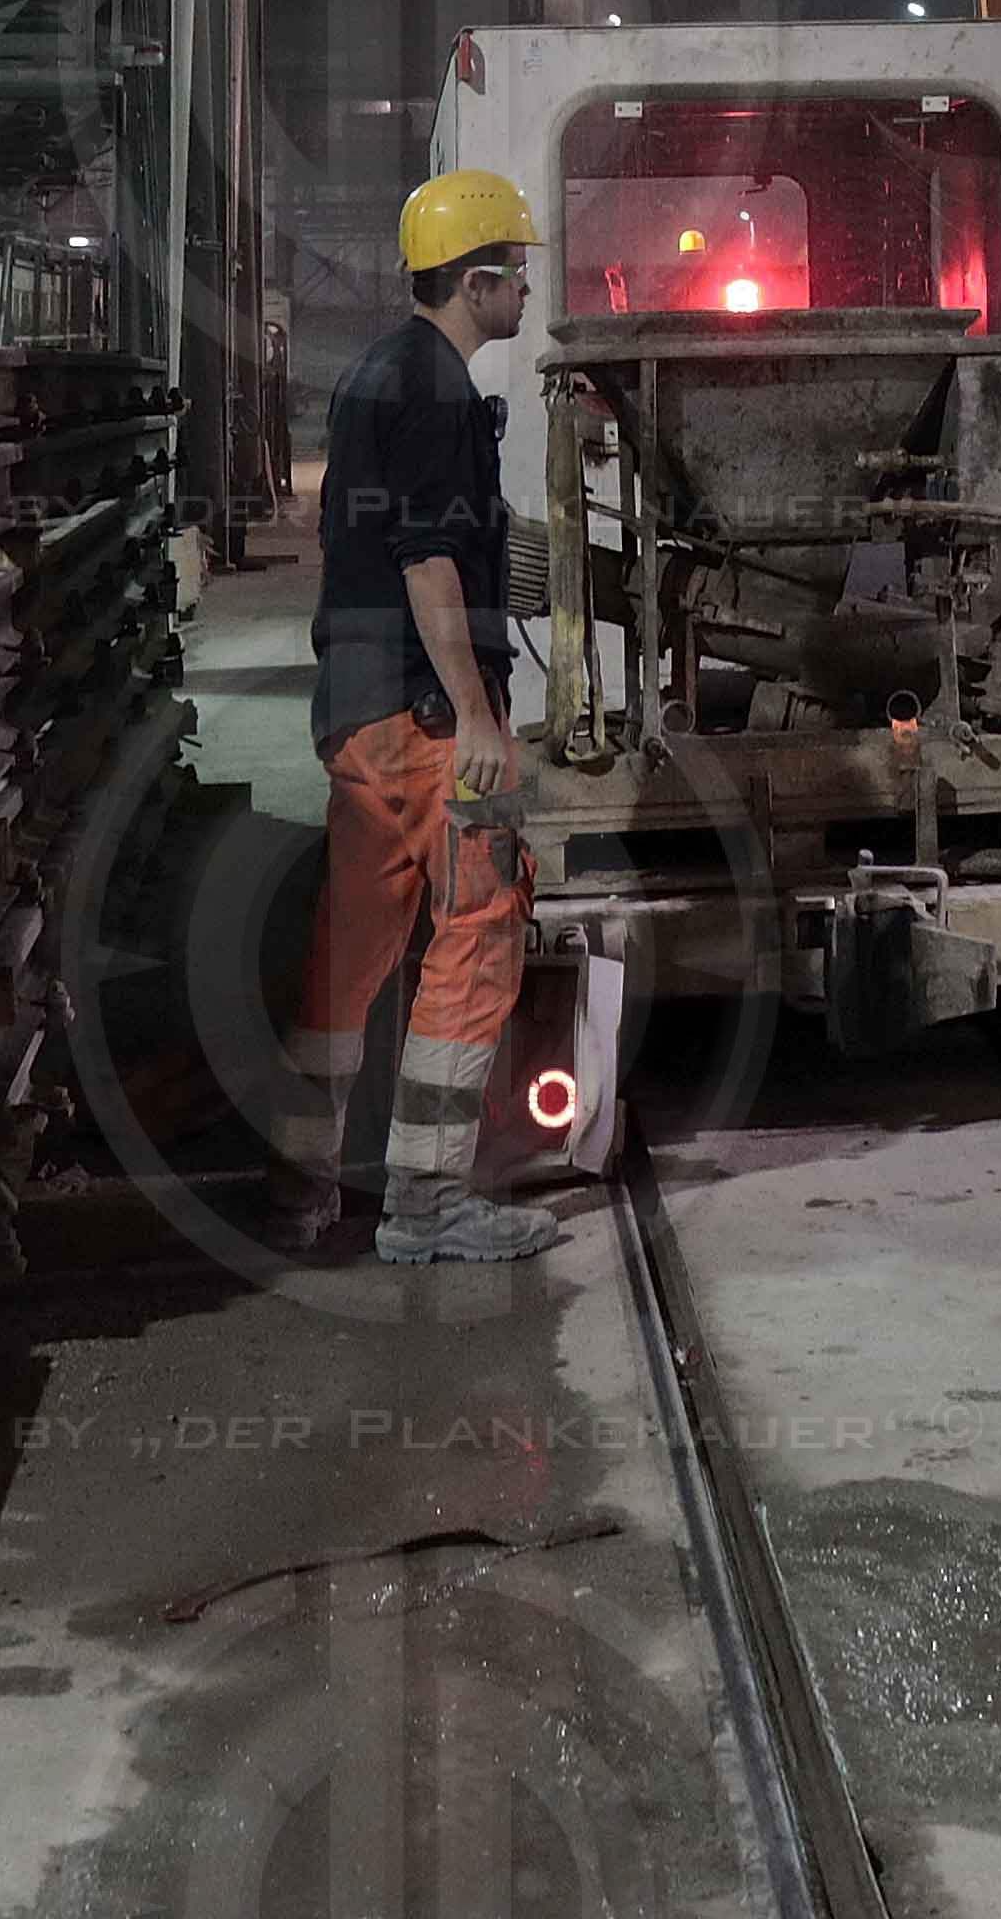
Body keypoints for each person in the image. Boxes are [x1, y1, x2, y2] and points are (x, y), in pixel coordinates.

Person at [283, 167, 562, 1267]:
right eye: (520, 272)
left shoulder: (374, 375)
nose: (530, 291)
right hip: (418, 710)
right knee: (480, 921)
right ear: (479, 278)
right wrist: (478, 715)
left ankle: (298, 1186)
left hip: (355, 709)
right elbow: (427, 557)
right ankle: (427, 1203)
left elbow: (378, 534)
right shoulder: (439, 388)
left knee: (351, 949)